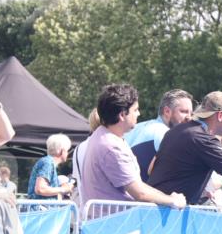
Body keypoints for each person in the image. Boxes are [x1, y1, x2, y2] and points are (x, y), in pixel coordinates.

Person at [77, 84, 187, 213]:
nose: (139, 113)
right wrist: (172, 200)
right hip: (114, 222)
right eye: (135, 110)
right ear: (122, 114)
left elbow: (138, 186)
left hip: (109, 221)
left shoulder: (102, 135)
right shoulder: (112, 146)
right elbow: (140, 193)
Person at [124, 89, 193, 180]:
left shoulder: (137, 127)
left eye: (191, 113)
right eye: (183, 111)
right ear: (167, 111)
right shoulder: (165, 134)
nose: (189, 118)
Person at [28, 134, 74, 199]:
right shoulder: (48, 163)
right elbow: (40, 189)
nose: (67, 153)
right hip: (41, 205)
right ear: (62, 151)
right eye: (67, 150)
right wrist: (64, 189)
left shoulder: (47, 162)